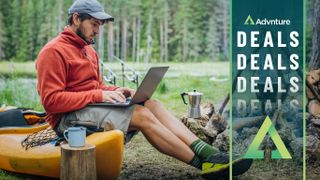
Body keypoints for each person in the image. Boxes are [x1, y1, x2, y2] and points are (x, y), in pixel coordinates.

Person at [35, 0, 251, 178]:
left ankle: (211, 154)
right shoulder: (53, 52)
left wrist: (118, 90)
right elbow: (51, 101)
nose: (97, 31)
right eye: (94, 24)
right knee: (141, 114)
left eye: (100, 26)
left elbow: (96, 86)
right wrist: (99, 94)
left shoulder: (88, 51)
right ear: (76, 19)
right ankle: (206, 167)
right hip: (67, 121)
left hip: (90, 108)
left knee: (151, 104)